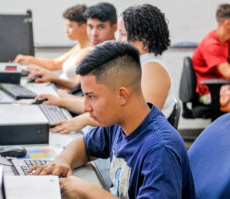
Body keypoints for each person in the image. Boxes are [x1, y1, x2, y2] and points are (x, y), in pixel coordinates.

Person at [29, 41, 195, 198]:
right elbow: (85, 145)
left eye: (91, 96)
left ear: (122, 95)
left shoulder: (160, 150)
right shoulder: (118, 123)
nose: (86, 107)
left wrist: (86, 191)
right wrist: (62, 160)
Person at [39, 4, 176, 134]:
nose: (119, 39)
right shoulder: (138, 63)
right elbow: (103, 104)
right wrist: (61, 101)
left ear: (142, 37)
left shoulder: (153, 69)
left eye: (122, 33)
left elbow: (137, 118)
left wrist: (83, 120)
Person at [14, 4, 91, 89]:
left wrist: (52, 78)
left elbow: (79, 86)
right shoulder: (79, 46)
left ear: (83, 27)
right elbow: (54, 63)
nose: (66, 30)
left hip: (65, 94)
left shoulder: (89, 51)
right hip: (58, 90)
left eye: (70, 26)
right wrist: (29, 60)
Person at [192, 3, 230, 112]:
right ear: (227, 24)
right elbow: (227, 72)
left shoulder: (226, 41)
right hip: (210, 93)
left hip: (224, 87)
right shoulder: (211, 45)